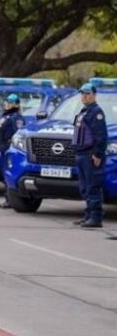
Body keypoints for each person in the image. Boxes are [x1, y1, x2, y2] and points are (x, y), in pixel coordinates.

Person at [72, 82, 108, 228]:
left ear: (94, 95)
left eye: (88, 94)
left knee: (93, 187)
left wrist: (98, 154)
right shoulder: (84, 111)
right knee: (84, 187)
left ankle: (96, 217)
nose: (84, 96)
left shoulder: (96, 112)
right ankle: (88, 215)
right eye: (83, 93)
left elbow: (101, 136)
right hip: (81, 154)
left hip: (90, 155)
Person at [0, 94, 25, 208]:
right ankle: (7, 198)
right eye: (7, 102)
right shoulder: (4, 116)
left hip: (9, 146)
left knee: (9, 174)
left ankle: (10, 199)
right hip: (3, 147)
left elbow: (17, 134)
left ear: (16, 105)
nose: (7, 104)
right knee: (4, 174)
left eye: (11, 102)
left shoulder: (16, 118)